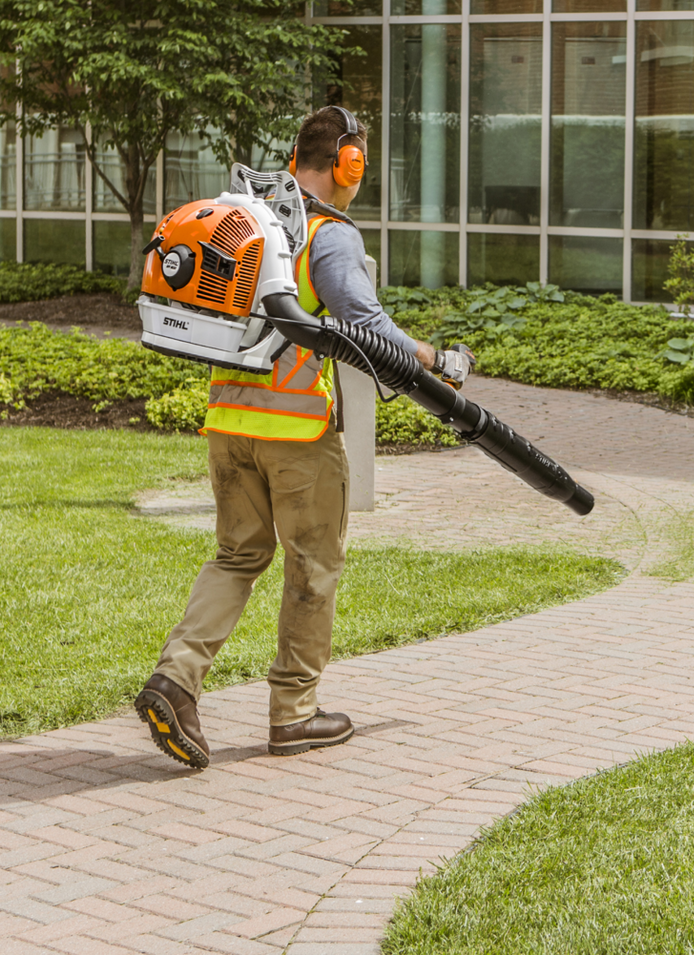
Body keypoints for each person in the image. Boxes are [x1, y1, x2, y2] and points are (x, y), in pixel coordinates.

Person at [132, 105, 475, 769]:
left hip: (229, 419)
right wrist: (442, 361)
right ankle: (294, 714)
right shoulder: (327, 234)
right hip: (295, 429)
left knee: (237, 555)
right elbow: (369, 330)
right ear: (349, 162)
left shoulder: (249, 219)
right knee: (313, 564)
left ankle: (175, 679)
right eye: (360, 164)